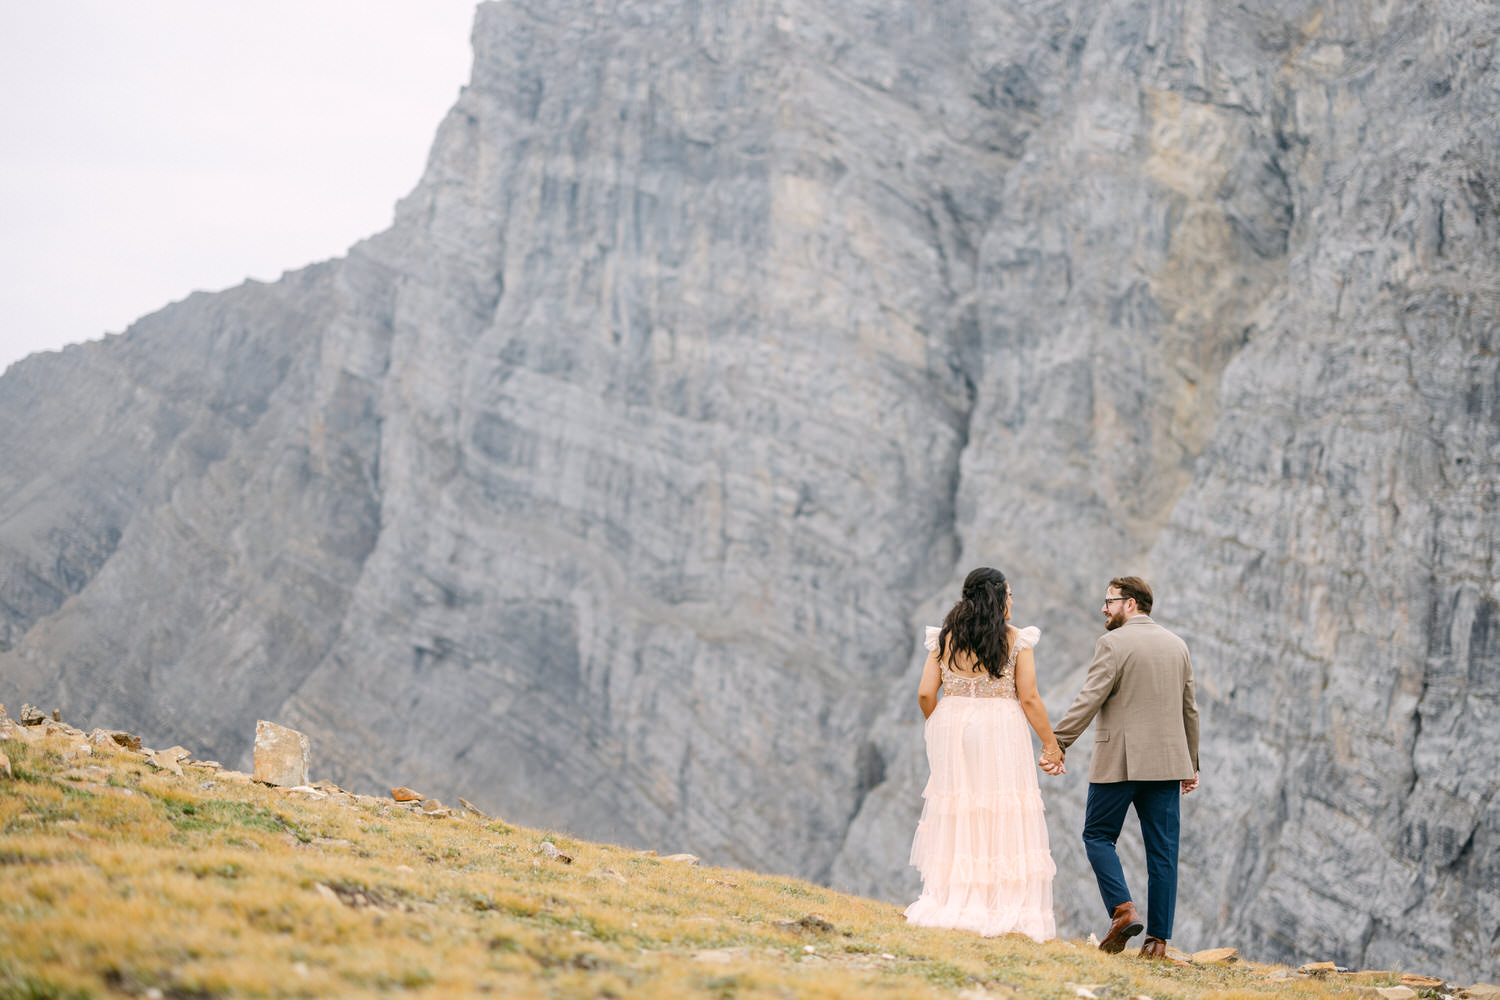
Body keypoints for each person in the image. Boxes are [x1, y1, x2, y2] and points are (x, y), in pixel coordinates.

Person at [905, 567, 1065, 941]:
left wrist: (942, 723)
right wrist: (1051, 744)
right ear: (997, 598)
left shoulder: (944, 638)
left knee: (961, 809)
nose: (1012, 602)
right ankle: (1000, 903)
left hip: (953, 726)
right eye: (1009, 595)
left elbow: (926, 693)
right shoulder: (1015, 640)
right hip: (999, 729)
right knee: (1001, 808)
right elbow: (1029, 697)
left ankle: (954, 898)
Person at [1050, 576, 1200, 959]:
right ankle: (1157, 942)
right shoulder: (1177, 645)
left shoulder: (1113, 643)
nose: (1104, 608)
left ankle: (1122, 910)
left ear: (1130, 604)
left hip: (1120, 762)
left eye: (1109, 601)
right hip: (1167, 765)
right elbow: (1189, 710)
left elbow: (1090, 697)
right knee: (1163, 855)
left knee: (1098, 835)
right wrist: (1191, 764)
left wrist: (1058, 741)